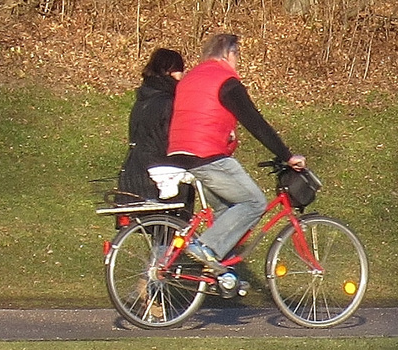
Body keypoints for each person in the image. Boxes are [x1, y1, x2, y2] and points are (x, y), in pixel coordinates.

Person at [167, 32, 305, 280]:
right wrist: (286, 154)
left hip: (179, 152)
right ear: (229, 53)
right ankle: (206, 248)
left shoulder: (191, 78)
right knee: (254, 202)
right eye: (237, 55)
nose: (238, 61)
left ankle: (219, 273)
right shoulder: (225, 81)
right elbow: (255, 122)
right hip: (206, 155)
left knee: (228, 212)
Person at [115, 48, 185, 203]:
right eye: (180, 71)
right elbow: (170, 140)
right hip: (157, 177)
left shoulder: (142, 100)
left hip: (132, 173)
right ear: (170, 72)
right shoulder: (168, 102)